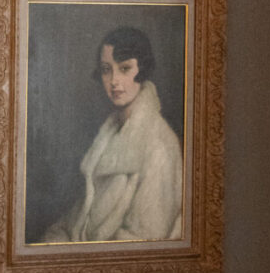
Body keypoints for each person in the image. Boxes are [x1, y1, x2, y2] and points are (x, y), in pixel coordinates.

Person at [41, 26, 183, 243]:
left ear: (142, 69)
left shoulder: (159, 145)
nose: (114, 80)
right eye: (107, 69)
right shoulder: (108, 136)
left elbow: (145, 239)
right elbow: (73, 225)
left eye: (124, 69)